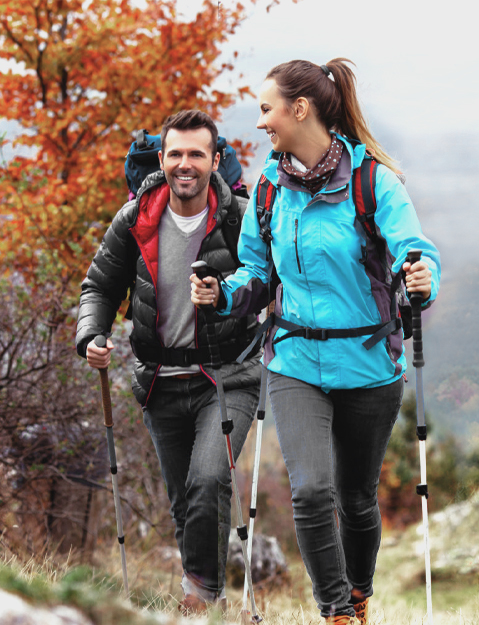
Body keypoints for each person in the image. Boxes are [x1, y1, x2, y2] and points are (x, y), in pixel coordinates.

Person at [191, 58, 440, 624]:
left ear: (299, 109)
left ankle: (359, 593)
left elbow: (414, 252)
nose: (260, 123)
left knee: (357, 498)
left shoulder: (373, 181)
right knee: (309, 492)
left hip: (369, 364)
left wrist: (423, 279)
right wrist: (221, 294)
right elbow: (257, 272)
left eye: (266, 109)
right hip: (294, 361)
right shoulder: (269, 188)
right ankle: (337, 614)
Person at [75, 110, 261, 614]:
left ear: (215, 161)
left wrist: (229, 295)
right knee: (185, 503)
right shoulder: (134, 219)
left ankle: (199, 599)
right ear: (161, 159)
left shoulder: (241, 218)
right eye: (175, 154)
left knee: (209, 479)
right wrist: (91, 334)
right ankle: (207, 602)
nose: (185, 164)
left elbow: (268, 281)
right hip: (159, 379)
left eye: (197, 154)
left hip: (227, 375)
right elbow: (100, 286)